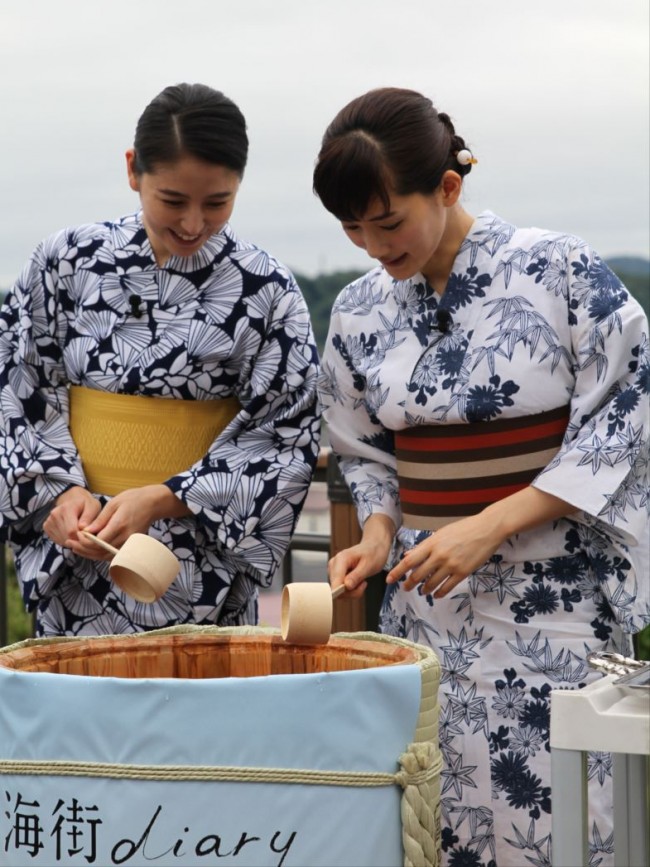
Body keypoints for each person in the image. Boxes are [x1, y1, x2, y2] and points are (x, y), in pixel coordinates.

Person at [313, 87, 649, 867]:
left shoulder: (556, 267)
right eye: (352, 227)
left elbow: (627, 409)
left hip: (553, 595)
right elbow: (364, 450)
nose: (371, 244)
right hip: (429, 603)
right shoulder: (360, 309)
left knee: (566, 813)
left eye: (387, 220)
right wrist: (376, 533)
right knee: (437, 815)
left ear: (449, 186)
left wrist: (493, 521)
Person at [0, 82, 321, 637]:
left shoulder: (266, 288)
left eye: (217, 202)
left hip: (197, 561)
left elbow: (287, 433)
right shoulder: (64, 261)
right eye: (173, 200)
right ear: (133, 171)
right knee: (78, 716)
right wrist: (59, 490)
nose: (194, 224)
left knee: (201, 711)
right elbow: (18, 386)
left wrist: (166, 497)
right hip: (80, 545)